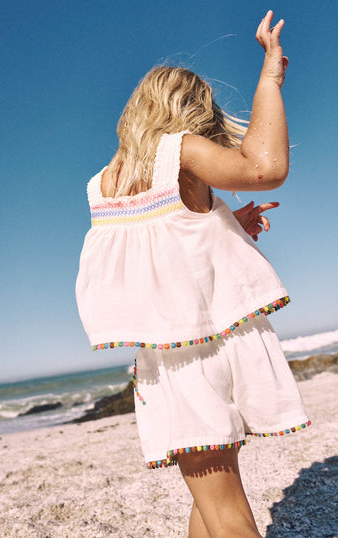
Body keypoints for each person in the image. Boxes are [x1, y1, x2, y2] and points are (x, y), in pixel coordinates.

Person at [76, 10, 309, 538]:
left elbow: (156, 259)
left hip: (172, 360)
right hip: (216, 344)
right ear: (188, 109)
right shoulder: (179, 149)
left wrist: (223, 225)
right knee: (219, 510)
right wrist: (270, 78)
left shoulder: (102, 186)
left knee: (216, 502)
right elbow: (265, 168)